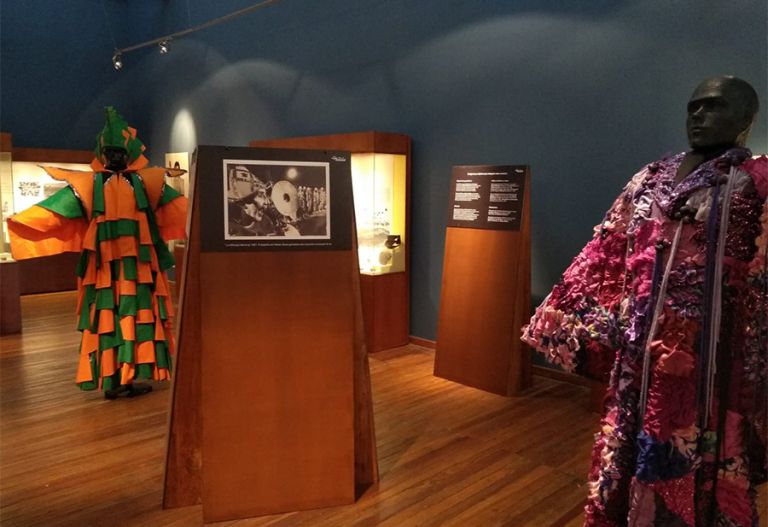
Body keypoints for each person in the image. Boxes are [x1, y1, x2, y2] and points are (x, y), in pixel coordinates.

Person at [522, 76, 767, 526]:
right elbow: (609, 249)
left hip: (709, 364)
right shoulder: (650, 178)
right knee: (626, 441)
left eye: (714, 106)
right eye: (694, 106)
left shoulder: (754, 185)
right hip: (638, 355)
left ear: (747, 118)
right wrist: (580, 326)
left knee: (696, 449)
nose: (699, 115)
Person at [7, 107, 188, 399]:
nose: (114, 158)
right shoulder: (96, 186)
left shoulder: (146, 182)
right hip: (110, 270)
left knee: (132, 316)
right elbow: (53, 213)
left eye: (119, 152)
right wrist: (20, 222)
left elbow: (182, 209)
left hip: (136, 268)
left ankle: (125, 377)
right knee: (113, 317)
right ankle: (118, 378)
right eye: (110, 153)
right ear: (102, 154)